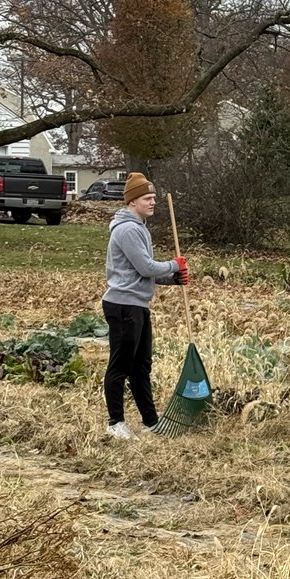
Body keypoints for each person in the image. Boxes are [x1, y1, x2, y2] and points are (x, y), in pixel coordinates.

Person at [102, 173, 188, 439]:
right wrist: (174, 264)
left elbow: (143, 273)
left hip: (137, 305)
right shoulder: (128, 230)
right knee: (121, 366)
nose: (153, 203)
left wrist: (173, 278)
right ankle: (115, 423)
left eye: (153, 198)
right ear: (132, 202)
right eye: (147, 198)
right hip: (123, 306)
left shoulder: (139, 227)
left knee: (141, 367)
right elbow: (145, 266)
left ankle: (150, 422)